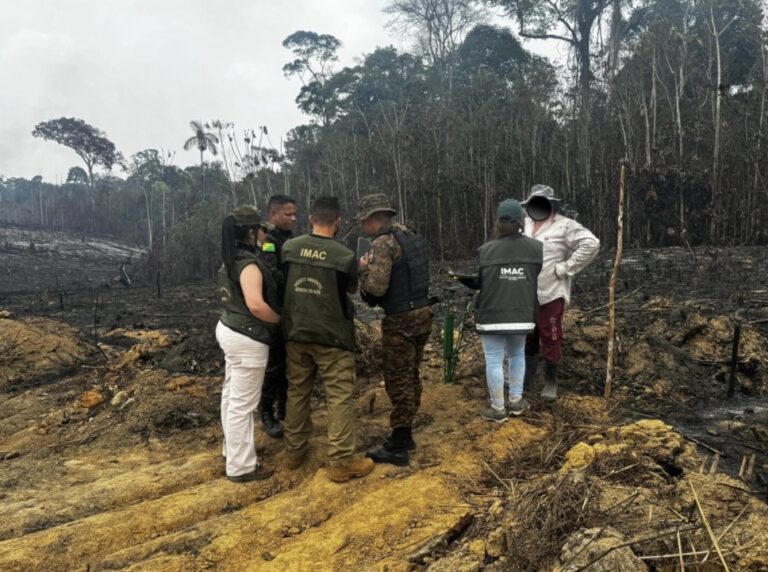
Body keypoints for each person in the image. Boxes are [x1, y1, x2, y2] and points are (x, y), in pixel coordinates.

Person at [281, 196, 375, 483]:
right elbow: (350, 289)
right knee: (339, 398)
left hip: (296, 333)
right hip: (332, 337)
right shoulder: (344, 257)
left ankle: (294, 452)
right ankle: (342, 461)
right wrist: (360, 266)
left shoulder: (289, 248)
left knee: (297, 392)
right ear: (338, 221)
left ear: (311, 219)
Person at [358, 193, 433, 466]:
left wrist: (362, 271)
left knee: (397, 379)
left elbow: (377, 289)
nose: (363, 227)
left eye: (363, 222)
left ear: (371, 219)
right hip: (423, 313)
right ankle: (406, 431)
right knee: (411, 373)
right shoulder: (409, 235)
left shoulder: (382, 243)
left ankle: (400, 444)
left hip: (401, 319)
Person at [458, 200, 542, 422]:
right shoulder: (536, 249)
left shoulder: (485, 251)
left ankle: (497, 409)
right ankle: (516, 402)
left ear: (498, 223)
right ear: (521, 222)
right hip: (522, 314)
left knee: (494, 360)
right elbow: (534, 275)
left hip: (492, 315)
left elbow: (481, 281)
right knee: (517, 355)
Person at [215, 205, 282, 482]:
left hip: (230, 328)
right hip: (247, 337)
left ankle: (230, 451)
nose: (265, 235)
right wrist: (280, 321)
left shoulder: (231, 258)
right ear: (252, 232)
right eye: (262, 230)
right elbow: (256, 306)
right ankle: (241, 467)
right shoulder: (249, 265)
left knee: (231, 396)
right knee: (242, 405)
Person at [522, 185, 600, 400]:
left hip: (551, 292)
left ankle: (550, 382)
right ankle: (527, 378)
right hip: (525, 292)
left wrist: (565, 268)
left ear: (552, 205)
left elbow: (591, 243)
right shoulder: (525, 224)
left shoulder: (564, 225)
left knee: (551, 335)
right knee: (527, 335)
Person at [258, 195, 297, 438]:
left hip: (291, 312)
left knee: (289, 364)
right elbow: (272, 273)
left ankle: (285, 410)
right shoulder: (270, 242)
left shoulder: (291, 239)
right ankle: (266, 413)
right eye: (287, 214)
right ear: (273, 215)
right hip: (274, 312)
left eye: (295, 214)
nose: (293, 218)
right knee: (274, 366)